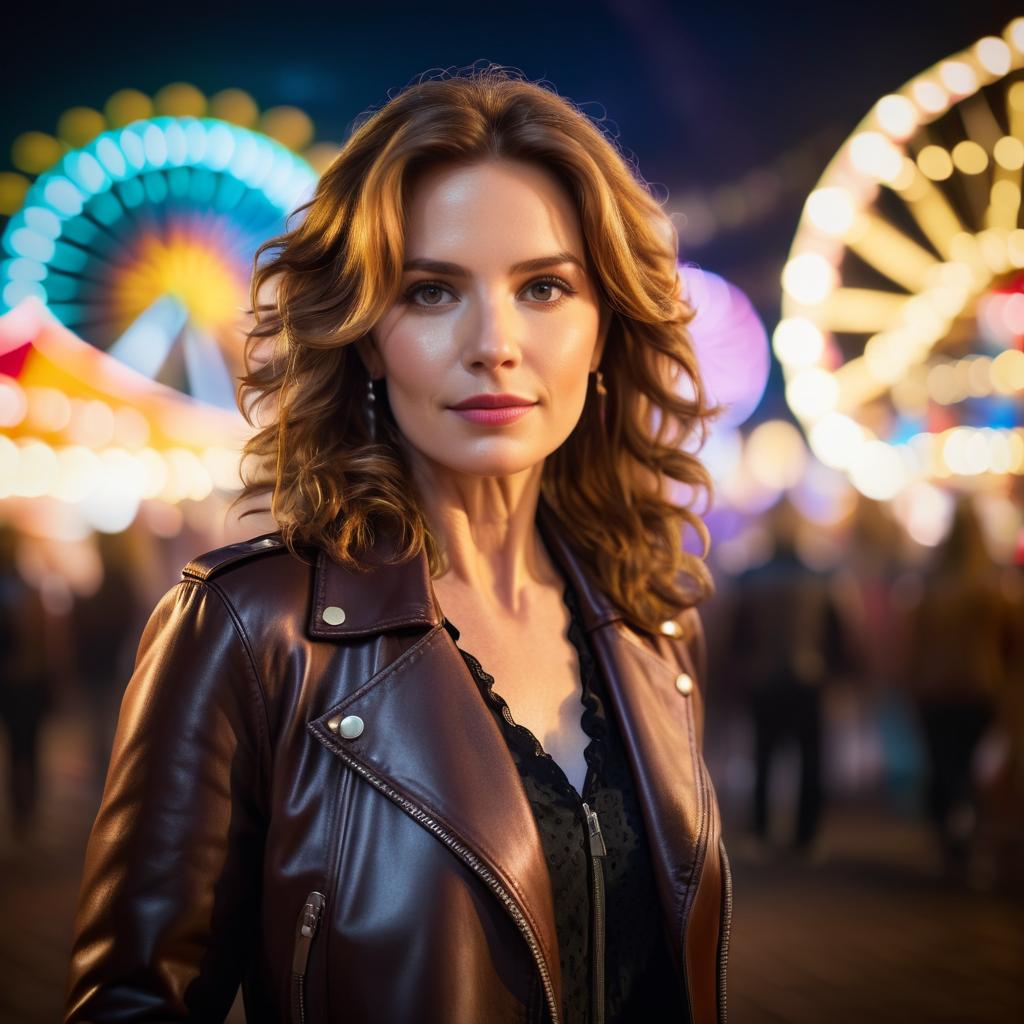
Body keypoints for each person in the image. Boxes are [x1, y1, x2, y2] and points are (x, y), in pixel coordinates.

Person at [64, 66, 730, 1024]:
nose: (494, 341)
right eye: (430, 293)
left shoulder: (651, 629)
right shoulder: (250, 632)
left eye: (544, 286)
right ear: (368, 337)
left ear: (604, 326)